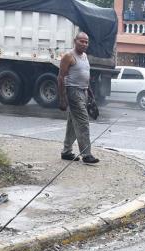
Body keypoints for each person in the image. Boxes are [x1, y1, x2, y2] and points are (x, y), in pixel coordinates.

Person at [58, 31, 99, 164]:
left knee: (72, 123)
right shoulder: (68, 56)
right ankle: (86, 154)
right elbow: (60, 77)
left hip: (84, 91)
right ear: (75, 41)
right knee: (83, 122)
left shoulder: (85, 56)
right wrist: (62, 98)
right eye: (81, 41)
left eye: (86, 42)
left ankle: (66, 152)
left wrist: (91, 94)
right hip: (73, 92)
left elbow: (86, 76)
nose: (84, 44)